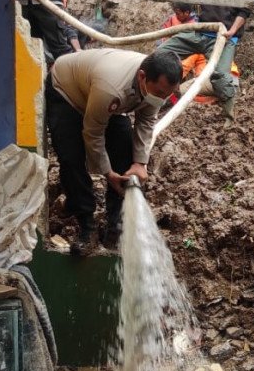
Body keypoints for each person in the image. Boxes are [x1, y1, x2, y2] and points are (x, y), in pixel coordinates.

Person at [46, 49, 182, 255]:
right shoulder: (111, 88)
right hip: (68, 92)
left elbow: (145, 121)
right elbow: (92, 133)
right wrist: (108, 174)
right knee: (71, 158)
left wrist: (139, 163)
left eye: (167, 94)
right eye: (160, 94)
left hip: (102, 96)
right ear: (142, 77)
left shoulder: (157, 87)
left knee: (125, 146)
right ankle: (87, 227)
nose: (162, 99)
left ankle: (116, 226)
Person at [157, 4, 251, 120]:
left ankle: (229, 119)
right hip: (201, 32)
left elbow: (244, 11)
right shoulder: (189, 21)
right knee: (160, 54)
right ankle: (150, 103)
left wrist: (232, 31)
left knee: (218, 79)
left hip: (223, 39)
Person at [19, 0, 80, 65]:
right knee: (28, 48)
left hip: (49, 1)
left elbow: (70, 32)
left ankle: (71, 70)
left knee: (59, 49)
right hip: (22, 1)